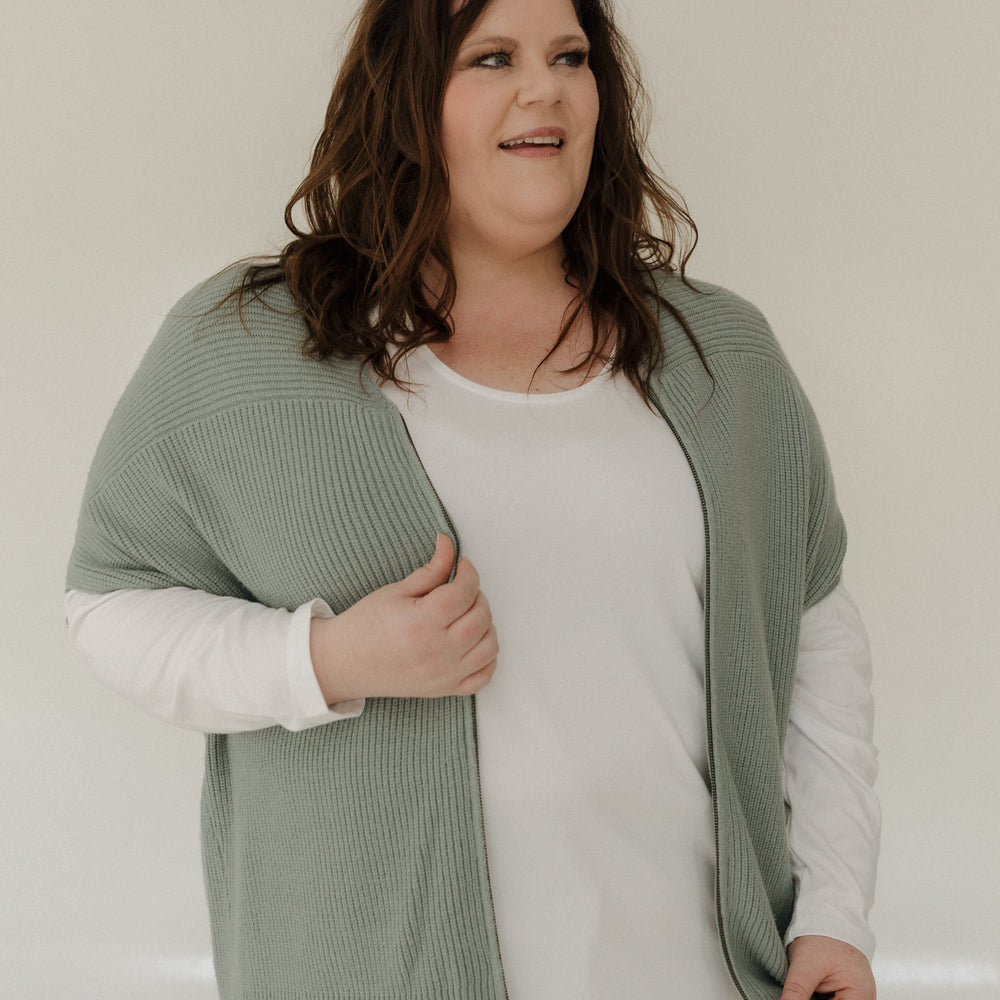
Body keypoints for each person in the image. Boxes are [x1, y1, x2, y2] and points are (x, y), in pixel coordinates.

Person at [65, 0, 880, 996]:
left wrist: (833, 913)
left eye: (569, 56)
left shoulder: (723, 361)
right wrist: (324, 658)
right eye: (491, 57)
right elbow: (110, 605)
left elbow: (815, 635)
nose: (543, 86)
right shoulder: (247, 348)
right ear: (406, 99)